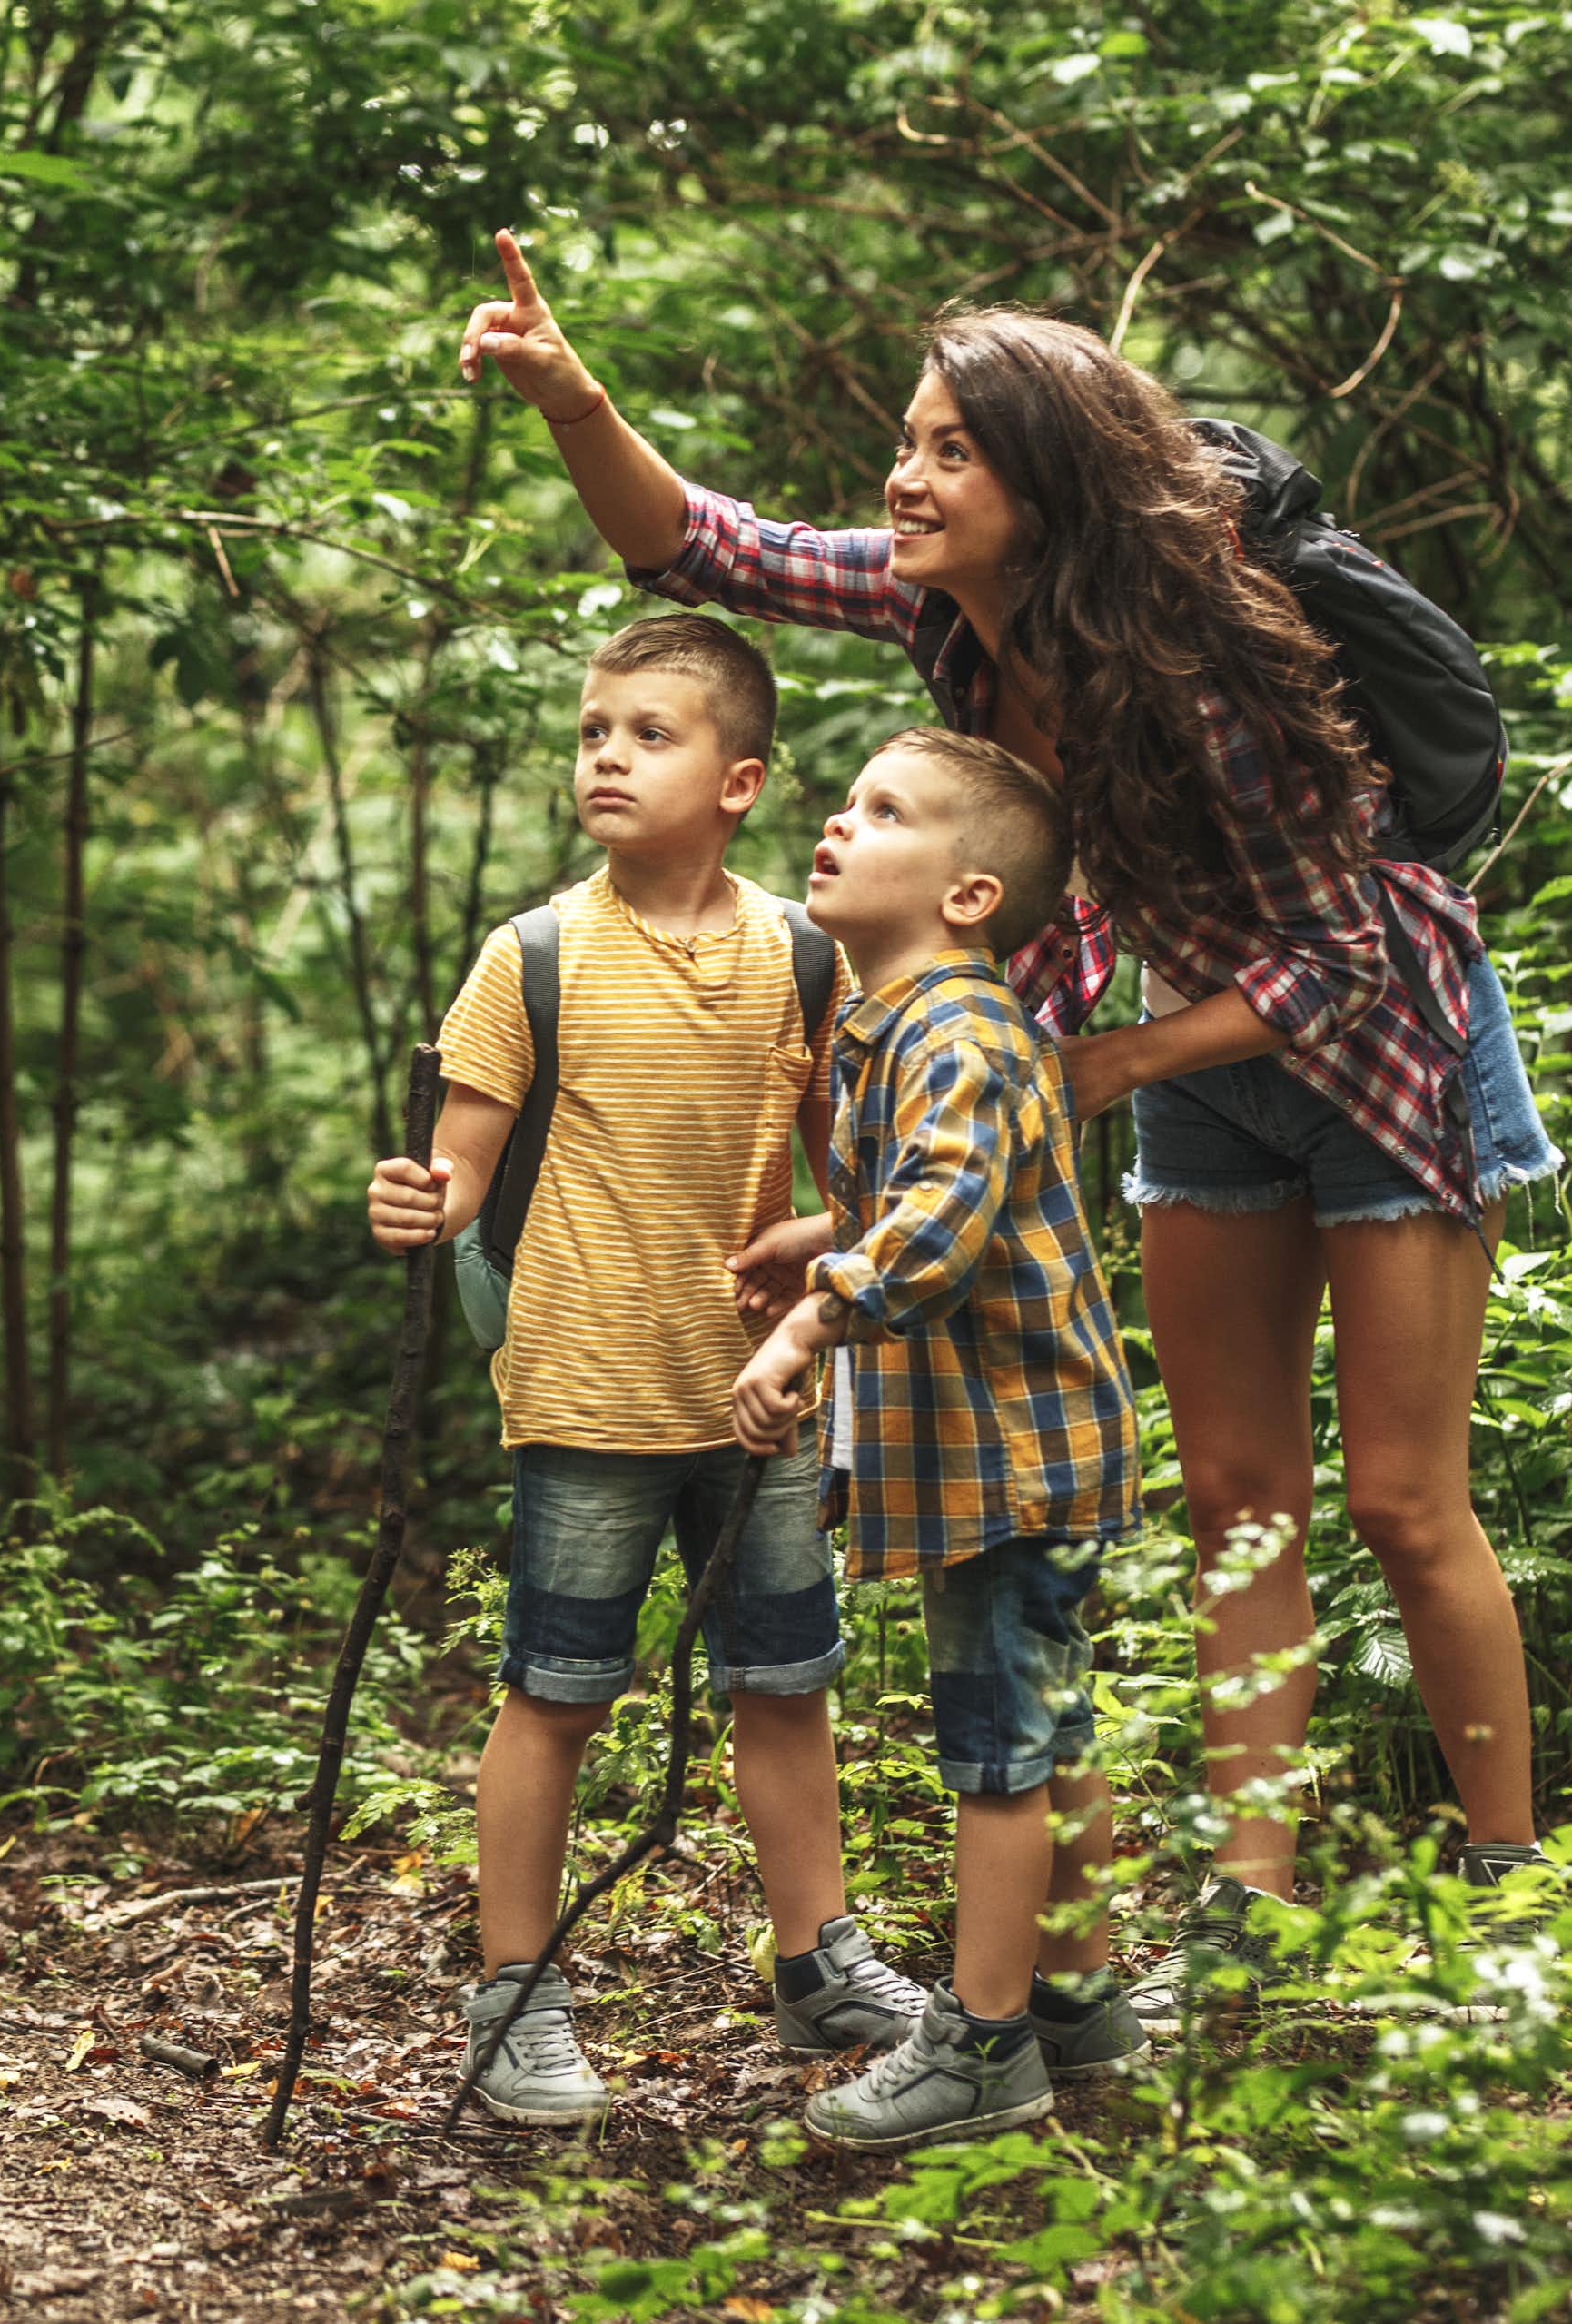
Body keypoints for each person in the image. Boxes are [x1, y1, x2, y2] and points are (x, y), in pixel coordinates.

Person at [461, 232, 1564, 2033]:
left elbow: (1340, 948)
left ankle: (1514, 1883)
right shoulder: (941, 616)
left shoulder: (1189, 664)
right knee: (1233, 1498)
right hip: (1178, 1045)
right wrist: (569, 389)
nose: (904, 478)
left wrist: (1104, 1068)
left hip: (1386, 1043)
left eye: (949, 452)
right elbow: (698, 545)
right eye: (906, 442)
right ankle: (1247, 1910)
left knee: (1397, 1494)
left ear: (1041, 483)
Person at [365, 613, 923, 2129]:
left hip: (762, 1399)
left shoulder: (809, 959)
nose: (608, 754)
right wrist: (415, 1200)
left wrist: (814, 1252)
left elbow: (860, 1184)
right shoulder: (530, 956)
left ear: (740, 780)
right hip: (587, 1392)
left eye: (650, 733)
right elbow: (460, 1175)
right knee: (554, 1693)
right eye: (596, 730)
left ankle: (816, 1963)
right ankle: (515, 1994)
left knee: (785, 1686)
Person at [731, 727, 1145, 2151]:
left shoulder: (959, 1030)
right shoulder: (904, 1026)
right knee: (1049, 1728)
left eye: (884, 811)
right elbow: (928, 1194)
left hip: (1010, 1460)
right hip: (1010, 1454)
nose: (839, 825)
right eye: (844, 803)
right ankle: (1078, 1998)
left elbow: (937, 1224)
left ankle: (983, 2048)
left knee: (997, 1753)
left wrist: (805, 1324)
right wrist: (818, 1233)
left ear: (969, 894)